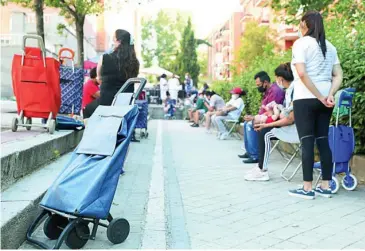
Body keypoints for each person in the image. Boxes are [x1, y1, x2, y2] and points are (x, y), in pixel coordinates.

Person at [288, 11, 343, 199]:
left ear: (306, 24)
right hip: (325, 101)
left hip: (305, 98)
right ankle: (326, 186)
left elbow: (302, 74)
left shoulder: (301, 43)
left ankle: (307, 188)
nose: (299, 26)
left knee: (307, 142)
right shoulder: (330, 47)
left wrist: (319, 96)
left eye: (300, 23)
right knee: (323, 140)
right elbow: (338, 75)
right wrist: (329, 95)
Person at [83, 29, 140, 141]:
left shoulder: (104, 58)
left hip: (106, 102)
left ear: (117, 41)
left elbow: (98, 78)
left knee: (87, 110)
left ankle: (92, 139)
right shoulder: (135, 62)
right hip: (125, 104)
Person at [244, 63, 298, 181]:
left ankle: (262, 170)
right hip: (288, 125)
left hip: (295, 129)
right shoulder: (290, 90)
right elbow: (284, 113)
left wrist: (267, 123)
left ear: (281, 78)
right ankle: (260, 166)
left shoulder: (295, 91)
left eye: (276, 78)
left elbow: (290, 119)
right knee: (262, 129)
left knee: (265, 132)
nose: (275, 81)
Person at [238, 71, 285, 164]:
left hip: (274, 121)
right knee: (246, 123)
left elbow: (272, 112)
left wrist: (255, 118)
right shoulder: (266, 91)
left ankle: (255, 156)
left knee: (250, 125)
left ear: (265, 83)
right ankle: (250, 152)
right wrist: (253, 117)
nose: (257, 87)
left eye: (259, 84)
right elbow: (263, 109)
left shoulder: (276, 91)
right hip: (265, 118)